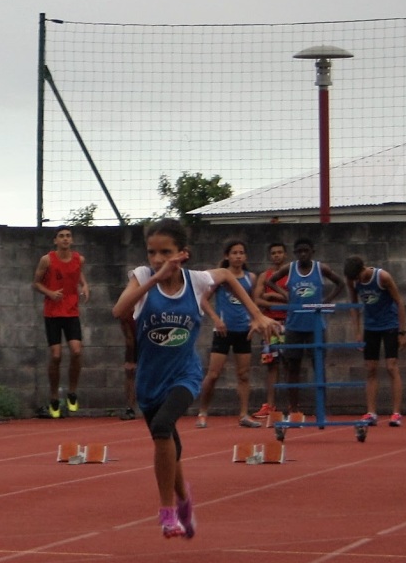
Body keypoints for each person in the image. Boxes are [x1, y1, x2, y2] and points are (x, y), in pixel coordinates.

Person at [112, 219, 282, 540]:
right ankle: (184, 500)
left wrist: (256, 314)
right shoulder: (143, 277)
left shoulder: (197, 281)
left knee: (163, 428)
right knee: (169, 446)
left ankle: (167, 513)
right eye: (152, 253)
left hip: (184, 376)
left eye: (166, 252)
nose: (158, 259)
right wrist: (155, 279)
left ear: (183, 253)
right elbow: (119, 310)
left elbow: (228, 276)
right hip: (150, 381)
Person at [260, 237, 348, 423]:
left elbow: (340, 283)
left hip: (316, 325)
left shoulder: (320, 268)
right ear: (295, 253)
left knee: (319, 367)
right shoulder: (290, 268)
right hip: (294, 324)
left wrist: (326, 301)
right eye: (299, 251)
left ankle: (321, 408)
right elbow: (271, 281)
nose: (302, 254)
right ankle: (294, 409)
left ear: (312, 251)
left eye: (306, 251)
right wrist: (285, 294)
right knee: (293, 367)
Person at [195, 239, 262, 428]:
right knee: (213, 374)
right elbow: (203, 300)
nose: (238, 256)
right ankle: (203, 412)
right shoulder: (220, 277)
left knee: (244, 374)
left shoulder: (250, 278)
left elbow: (253, 302)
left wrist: (255, 320)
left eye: (241, 253)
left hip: (243, 331)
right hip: (223, 331)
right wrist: (216, 319)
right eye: (234, 253)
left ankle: (243, 414)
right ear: (227, 256)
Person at [344, 255, 406, 426]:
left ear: (363, 269)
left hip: (389, 324)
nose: (358, 281)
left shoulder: (382, 277)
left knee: (391, 366)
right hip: (370, 326)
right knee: (371, 368)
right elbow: (354, 306)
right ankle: (371, 412)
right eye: (354, 279)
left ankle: (396, 413)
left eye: (359, 277)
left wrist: (402, 331)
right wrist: (357, 332)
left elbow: (399, 301)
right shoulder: (352, 281)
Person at [33, 226, 90, 417]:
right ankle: (53, 397)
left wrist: (85, 285)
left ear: (71, 240)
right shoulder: (47, 260)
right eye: (61, 236)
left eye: (68, 236)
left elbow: (77, 273)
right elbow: (36, 283)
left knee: (76, 351)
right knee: (56, 356)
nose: (65, 239)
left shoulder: (78, 259)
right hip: (52, 313)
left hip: (71, 312)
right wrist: (49, 292)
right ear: (55, 240)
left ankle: (72, 392)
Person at [250, 241, 290, 422]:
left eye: (279, 252)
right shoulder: (264, 276)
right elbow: (257, 300)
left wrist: (272, 295)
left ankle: (292, 405)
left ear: (285, 254)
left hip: (289, 323)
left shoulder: (291, 275)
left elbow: (293, 299)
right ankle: (270, 404)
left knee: (290, 363)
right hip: (270, 325)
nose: (276, 255)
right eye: (273, 253)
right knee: (271, 364)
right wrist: (276, 301)